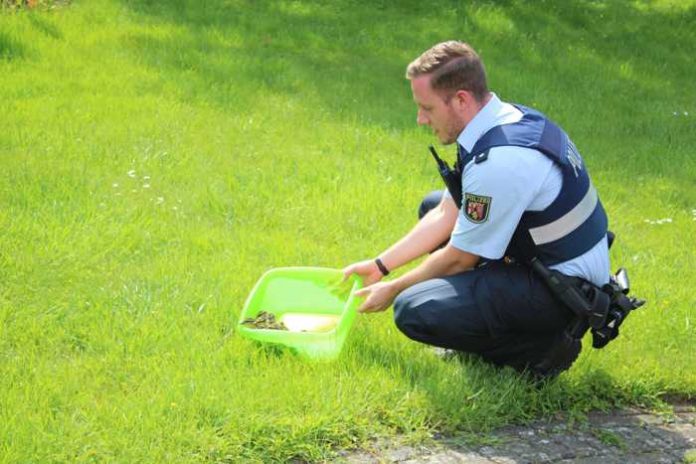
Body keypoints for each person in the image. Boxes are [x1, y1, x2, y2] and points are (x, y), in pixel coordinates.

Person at [342, 41, 612, 378]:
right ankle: (500, 322)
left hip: (563, 293)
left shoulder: (501, 162)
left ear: (461, 100)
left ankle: (539, 350)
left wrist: (394, 289)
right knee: (431, 205)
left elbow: (459, 258)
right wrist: (381, 266)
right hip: (553, 265)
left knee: (414, 309)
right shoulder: (505, 119)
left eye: (427, 108)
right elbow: (445, 212)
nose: (420, 119)